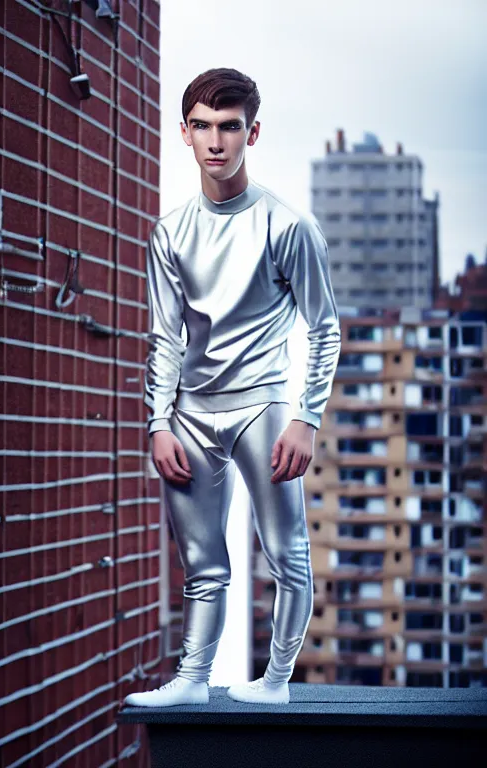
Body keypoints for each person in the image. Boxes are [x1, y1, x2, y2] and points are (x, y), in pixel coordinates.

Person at [124, 67, 341, 708]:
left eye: (229, 127)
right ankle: (192, 681)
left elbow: (325, 328)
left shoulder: (288, 226)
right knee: (201, 563)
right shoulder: (170, 233)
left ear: (252, 132)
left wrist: (306, 417)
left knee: (286, 553)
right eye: (202, 127)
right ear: (184, 134)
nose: (216, 141)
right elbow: (167, 338)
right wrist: (158, 423)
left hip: (265, 406)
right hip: (190, 412)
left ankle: (275, 683)